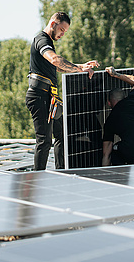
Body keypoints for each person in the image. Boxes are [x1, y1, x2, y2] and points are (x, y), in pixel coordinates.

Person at [26, 12, 99, 171]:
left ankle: (61, 171)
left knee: (63, 135)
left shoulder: (48, 43)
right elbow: (55, 60)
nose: (62, 34)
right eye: (62, 29)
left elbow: (57, 67)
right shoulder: (41, 40)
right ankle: (38, 178)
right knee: (44, 141)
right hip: (39, 97)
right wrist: (78, 68)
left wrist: (81, 66)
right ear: (53, 24)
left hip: (50, 99)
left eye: (65, 32)